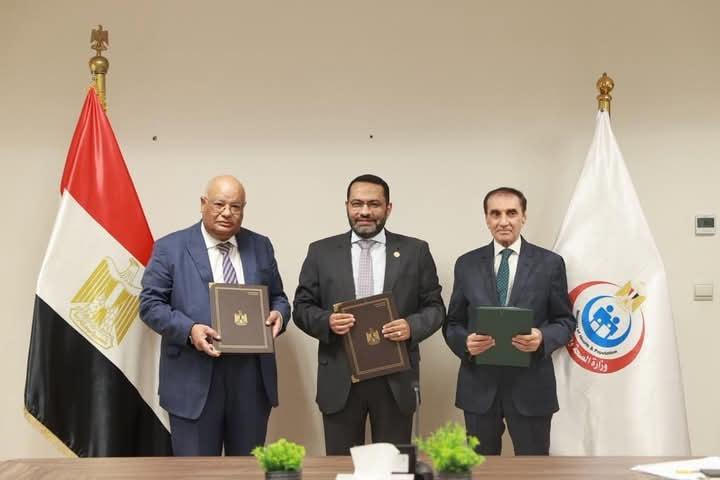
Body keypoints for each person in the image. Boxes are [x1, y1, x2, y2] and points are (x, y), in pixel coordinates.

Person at [293, 174, 445, 455]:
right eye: (357, 204)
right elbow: (301, 307)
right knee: (340, 465)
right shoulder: (321, 252)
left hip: (395, 379)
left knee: (394, 466)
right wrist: (326, 321)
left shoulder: (415, 251)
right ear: (347, 206)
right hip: (340, 378)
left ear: (388, 208)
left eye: (374, 204)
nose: (365, 211)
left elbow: (435, 307)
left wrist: (411, 326)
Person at [140, 175, 291, 456]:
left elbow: (279, 297)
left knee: (246, 470)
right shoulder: (170, 247)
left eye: (236, 207)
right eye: (219, 204)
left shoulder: (260, 245)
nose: (227, 213)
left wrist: (279, 316)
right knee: (197, 472)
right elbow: (150, 304)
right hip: (193, 377)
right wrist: (190, 330)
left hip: (250, 379)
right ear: (203, 203)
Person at [443, 187, 575, 455]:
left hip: (531, 386)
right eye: (496, 214)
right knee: (481, 469)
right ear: (486, 218)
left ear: (524, 217)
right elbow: (452, 323)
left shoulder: (550, 263)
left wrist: (542, 338)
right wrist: (465, 342)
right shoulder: (466, 264)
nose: (503, 221)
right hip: (479, 387)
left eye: (511, 213)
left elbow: (565, 321)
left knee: (533, 470)